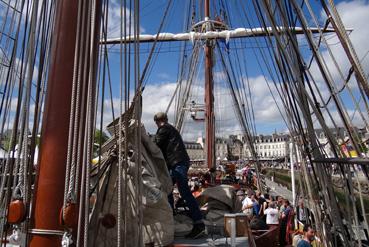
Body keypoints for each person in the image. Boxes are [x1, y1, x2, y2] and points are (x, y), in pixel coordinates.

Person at [154, 112, 205, 239]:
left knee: (184, 192)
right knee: (168, 190)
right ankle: (171, 218)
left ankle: (199, 224)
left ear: (157, 122)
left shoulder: (164, 129)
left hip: (177, 163)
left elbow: (155, 145)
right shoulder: (171, 129)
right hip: (178, 163)